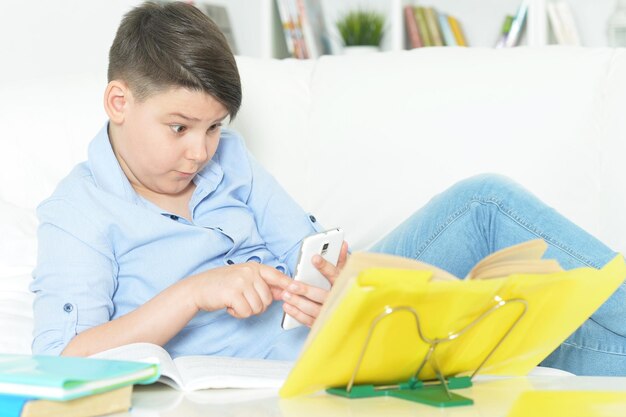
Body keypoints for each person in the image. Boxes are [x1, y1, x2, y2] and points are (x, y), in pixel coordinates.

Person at [30, 2, 626, 375]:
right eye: (179, 127)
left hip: (352, 318)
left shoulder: (227, 161)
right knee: (512, 334)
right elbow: (61, 360)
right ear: (118, 102)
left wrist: (339, 277)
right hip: (318, 361)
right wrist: (192, 293)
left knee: (485, 206)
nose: (200, 151)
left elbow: (309, 246)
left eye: (214, 128)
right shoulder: (78, 214)